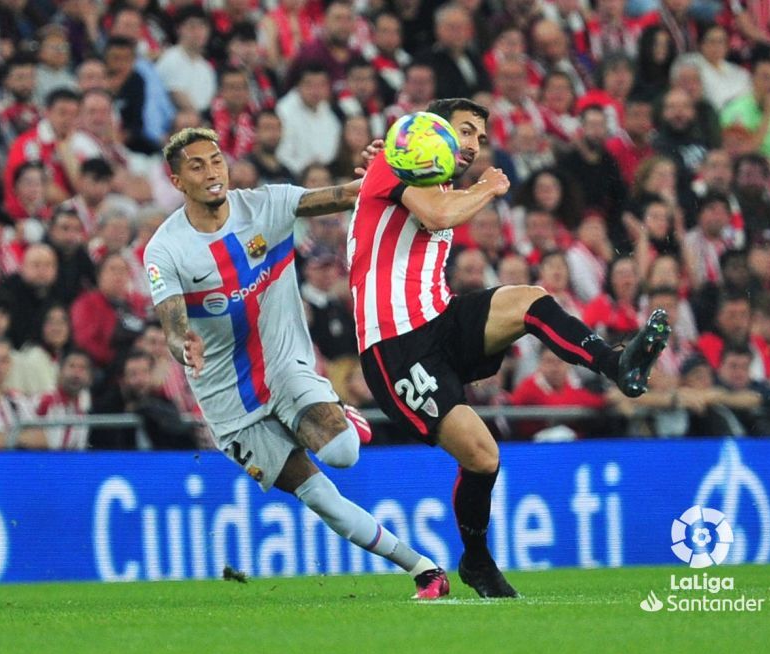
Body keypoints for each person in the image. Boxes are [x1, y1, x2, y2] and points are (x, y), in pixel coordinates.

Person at [349, 97, 671, 598]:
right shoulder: (398, 160)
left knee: (531, 299)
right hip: (395, 346)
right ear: (431, 131)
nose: (474, 145)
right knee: (482, 456)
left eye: (479, 137)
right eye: (465, 131)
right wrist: (488, 187)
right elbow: (436, 215)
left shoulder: (431, 182)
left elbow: (433, 210)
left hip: (440, 318)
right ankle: (476, 562)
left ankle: (618, 363)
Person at [143, 126, 448, 599]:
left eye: (216, 159)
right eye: (197, 165)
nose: (212, 172)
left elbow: (346, 195)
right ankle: (423, 569)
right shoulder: (165, 249)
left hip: (286, 367)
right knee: (320, 497)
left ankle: (342, 416)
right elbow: (172, 322)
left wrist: (388, 169)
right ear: (177, 181)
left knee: (343, 455)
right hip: (228, 401)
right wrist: (183, 343)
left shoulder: (268, 205)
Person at [35, 349, 93, 450]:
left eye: (82, 368)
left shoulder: (84, 408)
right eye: (72, 366)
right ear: (60, 371)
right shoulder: (44, 401)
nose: (76, 373)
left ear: (89, 377)